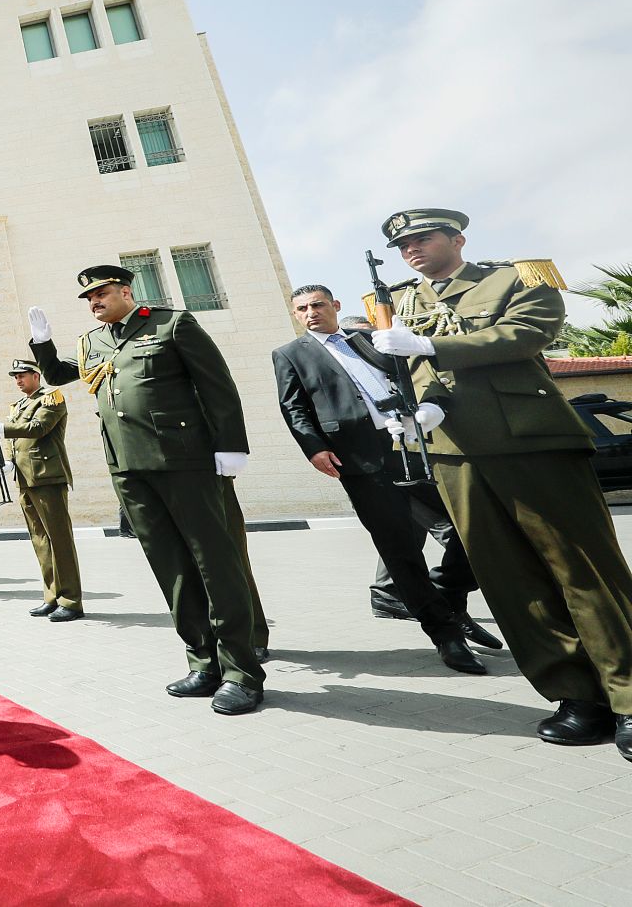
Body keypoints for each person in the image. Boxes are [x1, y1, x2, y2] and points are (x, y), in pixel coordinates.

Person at [373, 208, 632, 760]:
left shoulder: (517, 278)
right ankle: (576, 693)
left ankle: (630, 696)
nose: (412, 250)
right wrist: (412, 409)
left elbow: (527, 334)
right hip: (452, 454)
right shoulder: (403, 301)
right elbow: (412, 371)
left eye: (423, 239)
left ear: (457, 239)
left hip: (527, 440)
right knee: (510, 580)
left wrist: (433, 348)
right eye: (404, 245)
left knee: (583, 570)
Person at [29, 265, 266, 715]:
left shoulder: (171, 323)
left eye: (101, 294)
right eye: (89, 298)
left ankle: (241, 671)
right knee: (170, 566)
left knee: (214, 562)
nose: (94, 302)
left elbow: (217, 385)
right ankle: (203, 662)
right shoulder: (92, 341)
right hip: (127, 466)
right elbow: (62, 375)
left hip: (185, 460)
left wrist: (231, 445)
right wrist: (42, 345)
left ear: (125, 290)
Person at [271, 283, 485, 674]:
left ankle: (448, 594)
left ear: (335, 305)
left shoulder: (371, 339)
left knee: (473, 524)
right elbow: (293, 406)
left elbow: (416, 374)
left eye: (317, 305)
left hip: (416, 445)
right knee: (398, 548)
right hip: (357, 459)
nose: (310, 313)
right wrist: (314, 448)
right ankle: (444, 633)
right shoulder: (290, 354)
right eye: (301, 309)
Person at [336, 314, 499, 648]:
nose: (372, 346)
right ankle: (443, 604)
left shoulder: (402, 364)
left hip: (419, 455)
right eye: (362, 338)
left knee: (430, 531)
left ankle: (396, 593)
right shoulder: (342, 367)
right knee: (448, 531)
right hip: (381, 464)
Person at [0, 359, 82, 621]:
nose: (18, 380)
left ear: (36, 375)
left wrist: (1, 428)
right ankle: (52, 597)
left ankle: (71, 600)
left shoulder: (52, 397)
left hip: (47, 476)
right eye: (15, 377)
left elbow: (39, 428)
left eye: (22, 375)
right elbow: (18, 439)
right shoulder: (18, 405)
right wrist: (8, 460)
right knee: (40, 540)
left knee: (59, 540)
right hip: (25, 478)